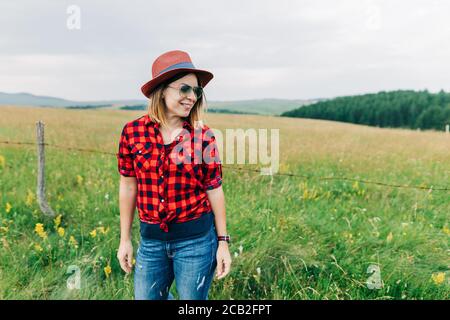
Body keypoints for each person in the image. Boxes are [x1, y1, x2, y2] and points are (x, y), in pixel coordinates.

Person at [116, 50, 232, 300]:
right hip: (151, 242)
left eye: (196, 91)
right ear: (162, 89)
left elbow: (214, 188)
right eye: (184, 89)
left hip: (197, 243)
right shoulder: (133, 132)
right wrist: (124, 239)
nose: (192, 97)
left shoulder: (204, 136)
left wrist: (223, 242)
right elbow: (127, 186)